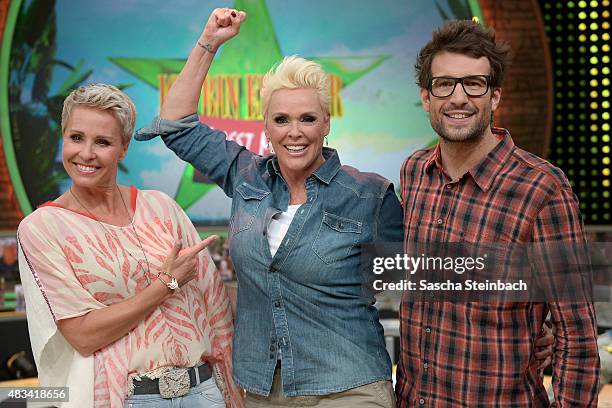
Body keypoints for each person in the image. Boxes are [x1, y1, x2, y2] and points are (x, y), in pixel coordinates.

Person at [135, 8, 403, 407]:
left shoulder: (370, 196)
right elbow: (176, 124)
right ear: (266, 126)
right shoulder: (245, 176)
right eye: (282, 119)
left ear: (326, 123)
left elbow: (419, 286)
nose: (294, 132)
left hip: (351, 386)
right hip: (263, 390)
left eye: (307, 119)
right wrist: (209, 41)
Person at [396, 20, 600, 406]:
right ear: (426, 98)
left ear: (494, 96)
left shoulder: (542, 188)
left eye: (474, 83)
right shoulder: (415, 172)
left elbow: (576, 337)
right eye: (444, 84)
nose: (459, 98)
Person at [17, 84, 242, 407]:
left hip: (204, 392)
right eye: (76, 138)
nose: (86, 154)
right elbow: (82, 335)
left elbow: (215, 308)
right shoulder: (42, 228)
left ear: (123, 148)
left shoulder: (162, 207)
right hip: (129, 398)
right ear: (62, 137)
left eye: (103, 142)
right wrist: (165, 284)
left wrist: (232, 394)